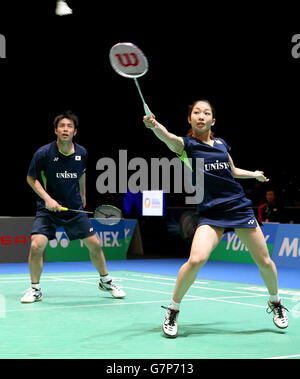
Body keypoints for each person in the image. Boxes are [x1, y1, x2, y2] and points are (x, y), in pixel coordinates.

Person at [143, 100, 288, 338]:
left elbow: (231, 170)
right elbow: (166, 136)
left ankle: (275, 302)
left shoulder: (221, 144)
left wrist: (254, 175)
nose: (201, 116)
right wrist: (154, 124)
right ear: (189, 120)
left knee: (264, 261)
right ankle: (173, 309)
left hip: (238, 207)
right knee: (196, 259)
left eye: (206, 113)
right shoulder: (185, 146)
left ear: (213, 120)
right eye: (196, 113)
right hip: (211, 212)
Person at [21, 111, 125, 303]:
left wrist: (83, 195)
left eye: (69, 126)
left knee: (95, 244)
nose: (65, 129)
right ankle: (35, 289)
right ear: (56, 130)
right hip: (49, 209)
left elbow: (82, 173)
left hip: (73, 208)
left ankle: (105, 281)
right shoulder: (43, 153)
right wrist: (47, 199)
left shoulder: (82, 152)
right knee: (37, 245)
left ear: (75, 131)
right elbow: (30, 178)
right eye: (62, 126)